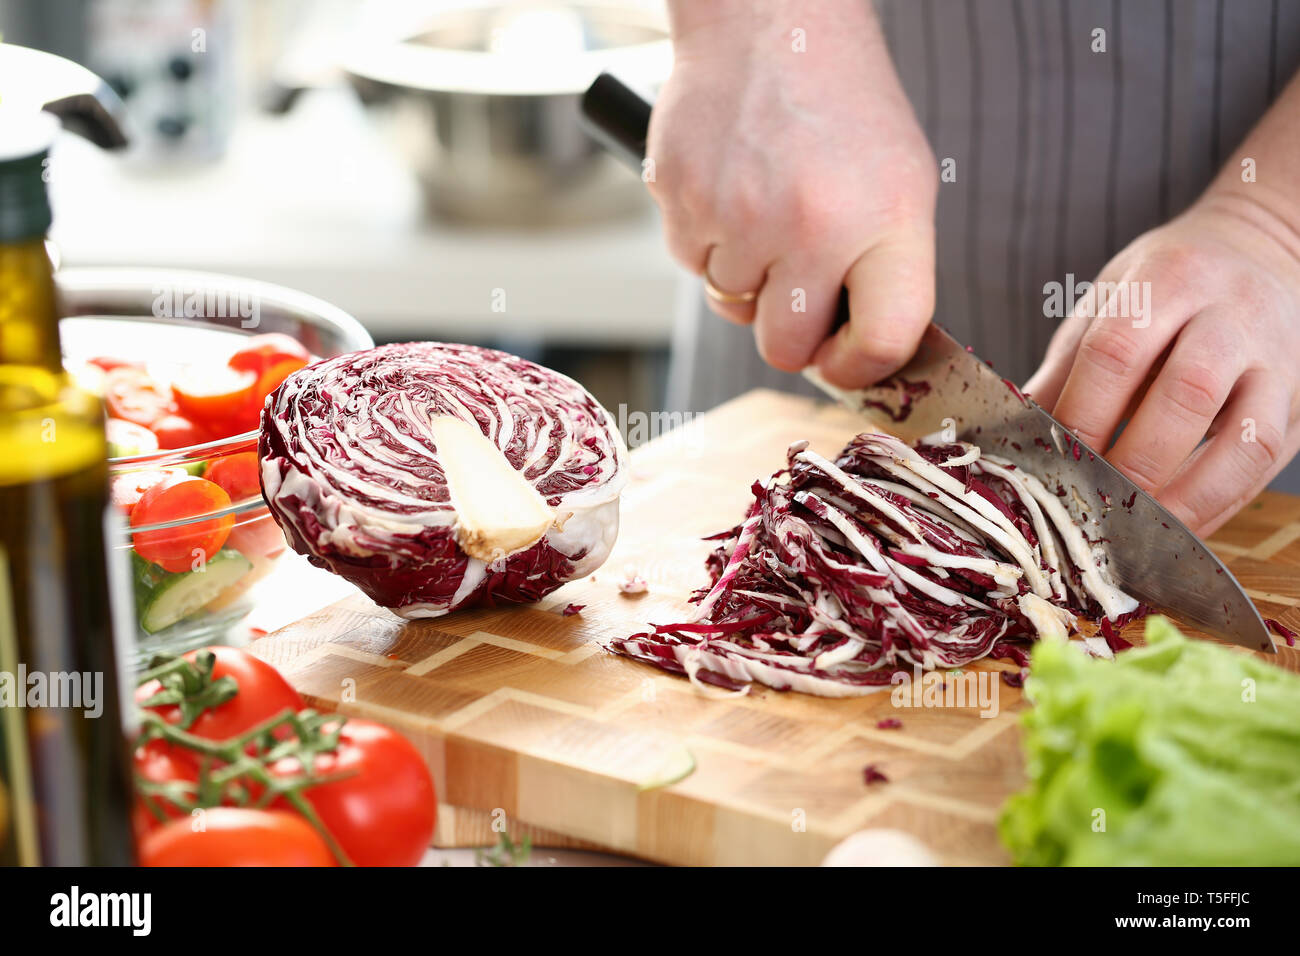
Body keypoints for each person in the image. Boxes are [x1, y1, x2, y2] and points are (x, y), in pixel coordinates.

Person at [650, 0, 1300, 536]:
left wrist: (1275, 222)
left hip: (1265, 318)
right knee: (782, 560)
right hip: (807, 214)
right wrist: (757, 33)